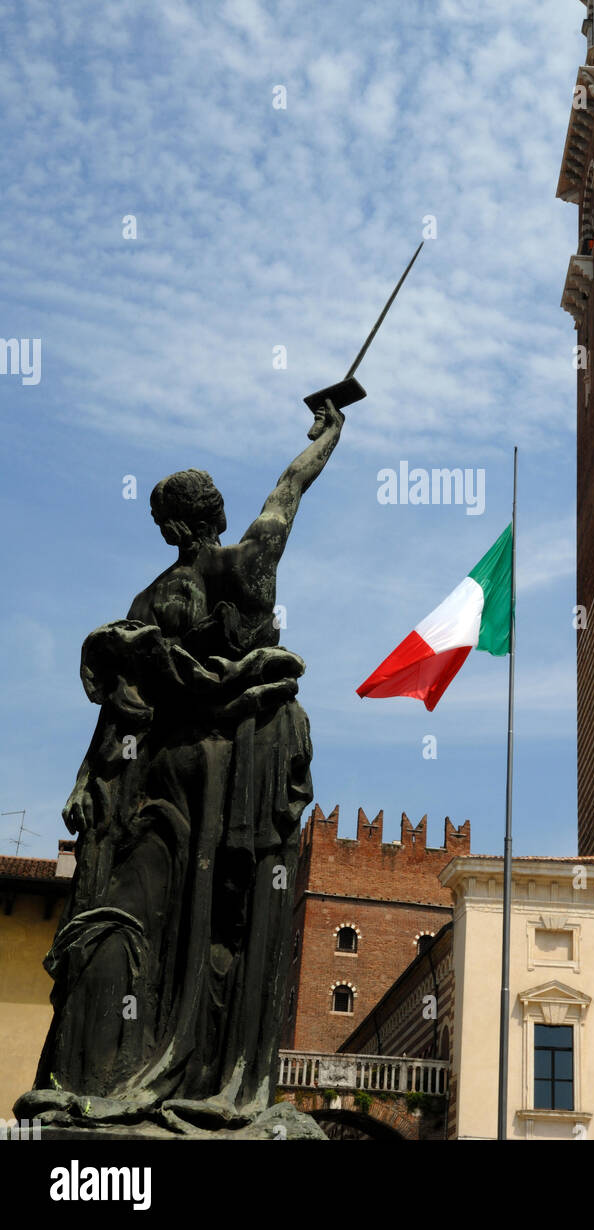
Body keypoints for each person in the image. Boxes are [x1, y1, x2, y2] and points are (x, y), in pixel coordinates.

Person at [16, 401, 344, 1135]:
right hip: (207, 760)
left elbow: (119, 710)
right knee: (197, 909)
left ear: (170, 524)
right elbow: (289, 490)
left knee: (196, 906)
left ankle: (180, 1071)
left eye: (165, 518)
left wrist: (81, 781)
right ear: (216, 513)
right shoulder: (242, 561)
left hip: (199, 760)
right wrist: (327, 436)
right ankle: (177, 1070)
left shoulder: (169, 590)